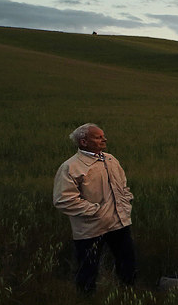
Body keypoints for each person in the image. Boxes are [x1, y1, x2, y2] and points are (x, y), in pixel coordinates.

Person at [52, 123, 137, 293]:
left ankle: (128, 297)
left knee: (128, 265)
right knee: (88, 269)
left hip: (119, 222)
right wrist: (96, 212)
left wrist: (126, 201)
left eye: (103, 136)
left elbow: (123, 186)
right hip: (90, 228)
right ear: (83, 142)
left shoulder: (111, 160)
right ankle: (86, 304)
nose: (104, 139)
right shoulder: (71, 167)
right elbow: (63, 199)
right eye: (98, 137)